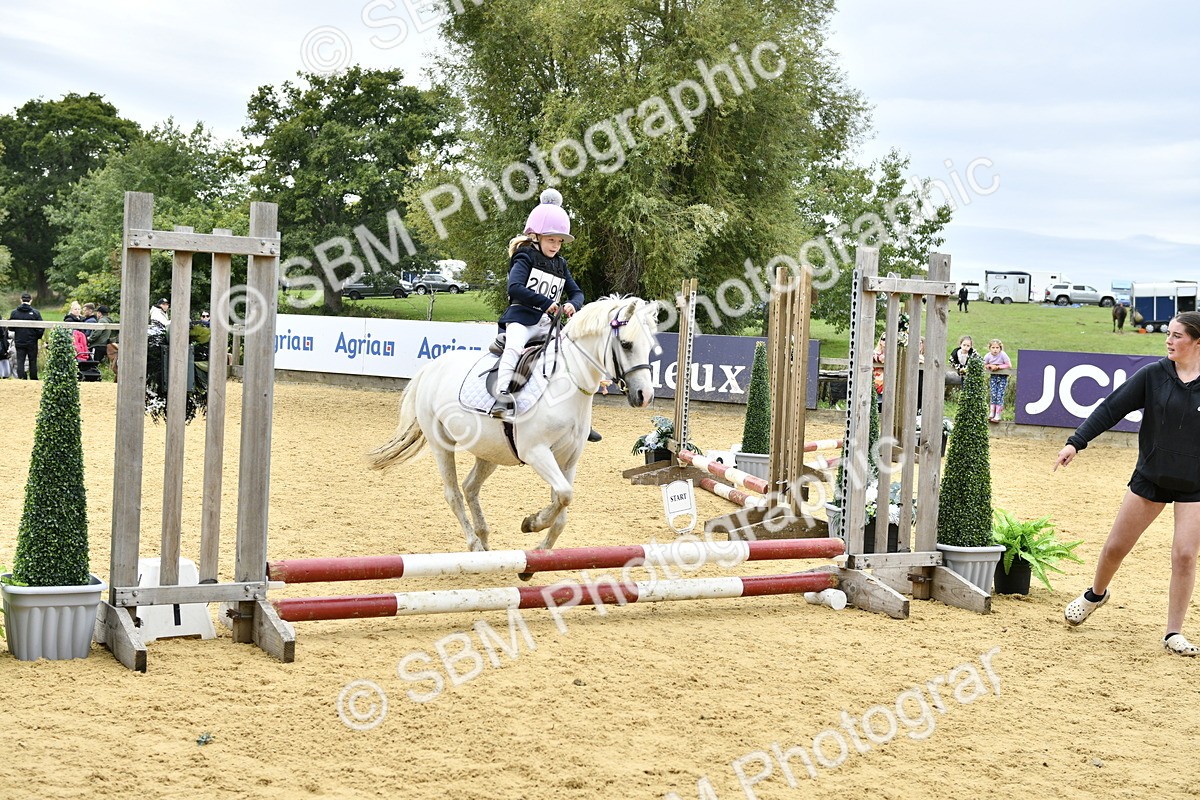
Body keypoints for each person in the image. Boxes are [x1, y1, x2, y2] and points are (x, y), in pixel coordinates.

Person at [1054, 311, 1200, 656]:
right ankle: (1095, 594)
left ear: (1197, 342)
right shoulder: (1153, 375)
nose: (1169, 340)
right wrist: (1076, 441)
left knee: (1184, 555)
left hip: (1195, 483)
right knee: (1117, 546)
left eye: (1177, 335)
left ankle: (1173, 632)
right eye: (1169, 333)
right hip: (1151, 476)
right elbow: (1111, 408)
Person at [492, 188, 584, 417]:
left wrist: (573, 304)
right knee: (514, 348)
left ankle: (573, 410)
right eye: (551, 240)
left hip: (547, 324)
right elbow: (514, 288)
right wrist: (546, 303)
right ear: (537, 237)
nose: (555, 246)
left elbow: (577, 292)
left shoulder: (560, 264)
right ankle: (502, 397)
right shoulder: (525, 256)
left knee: (572, 353)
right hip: (521, 319)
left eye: (559, 241)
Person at [9, 293, 44, 380]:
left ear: (21, 300)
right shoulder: (36, 313)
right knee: (33, 361)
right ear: (31, 300)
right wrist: (37, 337)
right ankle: (33, 378)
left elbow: (11, 327)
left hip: (19, 340)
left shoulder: (14, 313)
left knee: (20, 361)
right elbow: (41, 328)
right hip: (32, 341)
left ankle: (21, 378)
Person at [983, 338, 1012, 423]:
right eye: (993, 347)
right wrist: (989, 366)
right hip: (993, 376)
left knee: (1000, 394)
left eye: (997, 348)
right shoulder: (988, 356)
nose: (995, 350)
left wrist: (998, 367)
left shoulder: (1003, 355)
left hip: (1002, 376)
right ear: (990, 348)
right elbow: (984, 364)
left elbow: (1009, 365)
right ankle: (992, 412)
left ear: (1000, 348)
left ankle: (998, 414)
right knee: (993, 393)